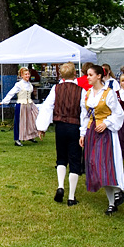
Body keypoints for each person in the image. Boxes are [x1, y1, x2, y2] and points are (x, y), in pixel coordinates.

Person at [36, 63, 84, 205]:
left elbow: (47, 107)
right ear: (75, 74)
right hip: (74, 126)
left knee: (61, 157)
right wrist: (84, 131)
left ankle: (61, 186)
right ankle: (71, 197)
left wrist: (42, 127)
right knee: (75, 159)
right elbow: (84, 112)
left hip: (60, 127)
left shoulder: (56, 89)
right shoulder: (81, 91)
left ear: (61, 75)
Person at [80, 65, 124, 215]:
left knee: (105, 165)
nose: (88, 77)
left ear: (99, 76)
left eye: (91, 75)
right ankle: (113, 199)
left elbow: (119, 113)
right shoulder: (87, 94)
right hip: (92, 132)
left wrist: (106, 123)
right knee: (95, 165)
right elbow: (85, 115)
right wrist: (82, 133)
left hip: (106, 134)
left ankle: (116, 194)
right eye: (87, 75)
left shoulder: (109, 93)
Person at [0, 67, 39, 146]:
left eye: (28, 74)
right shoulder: (19, 84)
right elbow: (11, 93)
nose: (28, 76)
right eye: (26, 74)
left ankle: (30, 136)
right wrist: (3, 102)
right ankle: (17, 139)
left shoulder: (29, 84)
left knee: (31, 121)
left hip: (29, 104)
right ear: (22, 75)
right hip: (21, 105)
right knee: (19, 123)